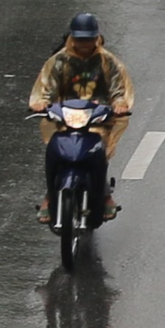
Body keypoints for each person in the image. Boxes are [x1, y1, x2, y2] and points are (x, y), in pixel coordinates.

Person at [29, 13, 135, 223]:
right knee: (55, 150)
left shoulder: (107, 61)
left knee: (98, 150)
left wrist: (119, 104)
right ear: (72, 37)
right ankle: (50, 195)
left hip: (97, 117)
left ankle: (104, 194)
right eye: (80, 39)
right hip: (65, 116)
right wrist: (41, 102)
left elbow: (118, 88)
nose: (84, 44)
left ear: (96, 38)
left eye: (88, 39)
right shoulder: (59, 60)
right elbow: (46, 85)